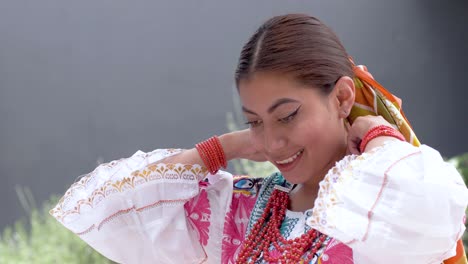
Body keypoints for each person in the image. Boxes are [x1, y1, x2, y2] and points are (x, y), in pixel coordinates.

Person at [50, 14, 468, 264]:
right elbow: (110, 210)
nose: (273, 143)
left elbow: (428, 202)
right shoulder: (245, 209)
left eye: (287, 116)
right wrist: (226, 147)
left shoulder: (381, 212)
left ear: (341, 97)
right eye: (254, 121)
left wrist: (375, 134)